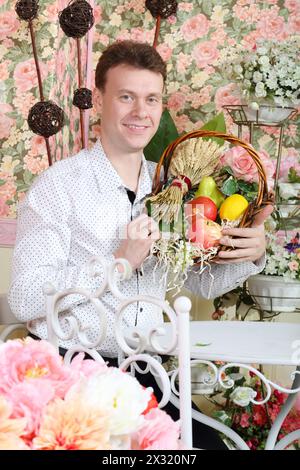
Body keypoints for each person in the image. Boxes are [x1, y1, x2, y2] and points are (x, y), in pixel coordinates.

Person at [8, 41, 272, 449]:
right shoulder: (58, 187)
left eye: (151, 99)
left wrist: (250, 254)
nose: (140, 112)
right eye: (126, 97)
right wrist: (118, 263)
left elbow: (198, 283)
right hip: (76, 379)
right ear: (99, 99)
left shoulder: (172, 187)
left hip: (150, 376)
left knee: (214, 447)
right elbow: (25, 298)